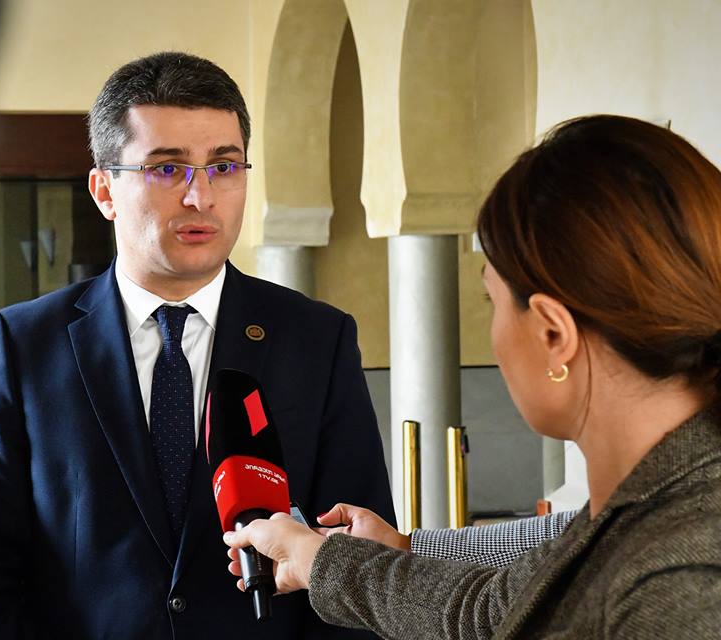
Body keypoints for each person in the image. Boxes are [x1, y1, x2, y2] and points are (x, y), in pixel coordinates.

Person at [0, 51, 396, 639]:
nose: (201, 197)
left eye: (224, 167)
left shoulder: (316, 340)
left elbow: (357, 561)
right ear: (104, 190)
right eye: (167, 169)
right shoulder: (24, 347)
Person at [224, 114, 721, 639]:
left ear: (554, 333)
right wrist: (321, 557)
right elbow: (491, 610)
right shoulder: (633, 510)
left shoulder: (682, 582)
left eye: (493, 301)